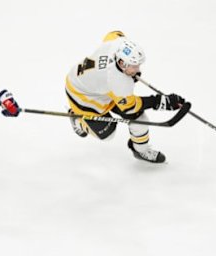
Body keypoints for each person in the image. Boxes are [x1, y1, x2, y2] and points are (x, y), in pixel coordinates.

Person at [65, 31, 189, 163]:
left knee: (140, 119)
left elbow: (114, 34)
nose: (138, 70)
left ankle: (141, 151)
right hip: (83, 96)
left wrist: (129, 72)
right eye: (134, 66)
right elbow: (129, 107)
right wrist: (159, 101)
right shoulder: (117, 81)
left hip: (99, 87)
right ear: (122, 63)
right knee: (108, 134)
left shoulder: (117, 44)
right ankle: (77, 120)